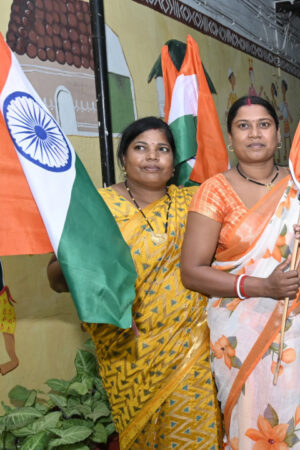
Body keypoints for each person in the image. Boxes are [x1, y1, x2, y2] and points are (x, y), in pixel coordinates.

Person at [47, 117, 223, 449]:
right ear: (124, 159)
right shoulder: (95, 206)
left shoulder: (196, 202)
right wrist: (88, 266)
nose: (152, 157)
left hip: (190, 347)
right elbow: (56, 278)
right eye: (140, 148)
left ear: (174, 163)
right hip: (126, 351)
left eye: (163, 149)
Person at [180, 96, 300, 450]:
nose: (254, 134)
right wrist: (262, 286)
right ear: (230, 137)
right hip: (239, 333)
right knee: (250, 420)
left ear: (279, 135)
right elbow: (191, 272)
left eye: (264, 124)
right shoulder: (214, 191)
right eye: (243, 126)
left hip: (292, 328)